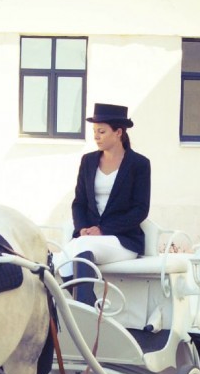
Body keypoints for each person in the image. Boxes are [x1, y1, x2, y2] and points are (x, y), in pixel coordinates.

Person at [56, 103, 151, 305]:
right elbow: (79, 202)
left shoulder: (139, 164)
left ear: (118, 132)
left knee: (74, 250)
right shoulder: (88, 161)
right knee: (60, 257)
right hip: (88, 240)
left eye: (101, 131)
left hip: (123, 240)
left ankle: (81, 305)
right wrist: (82, 228)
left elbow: (140, 210)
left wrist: (103, 230)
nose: (96, 136)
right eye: (94, 132)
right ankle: (81, 303)